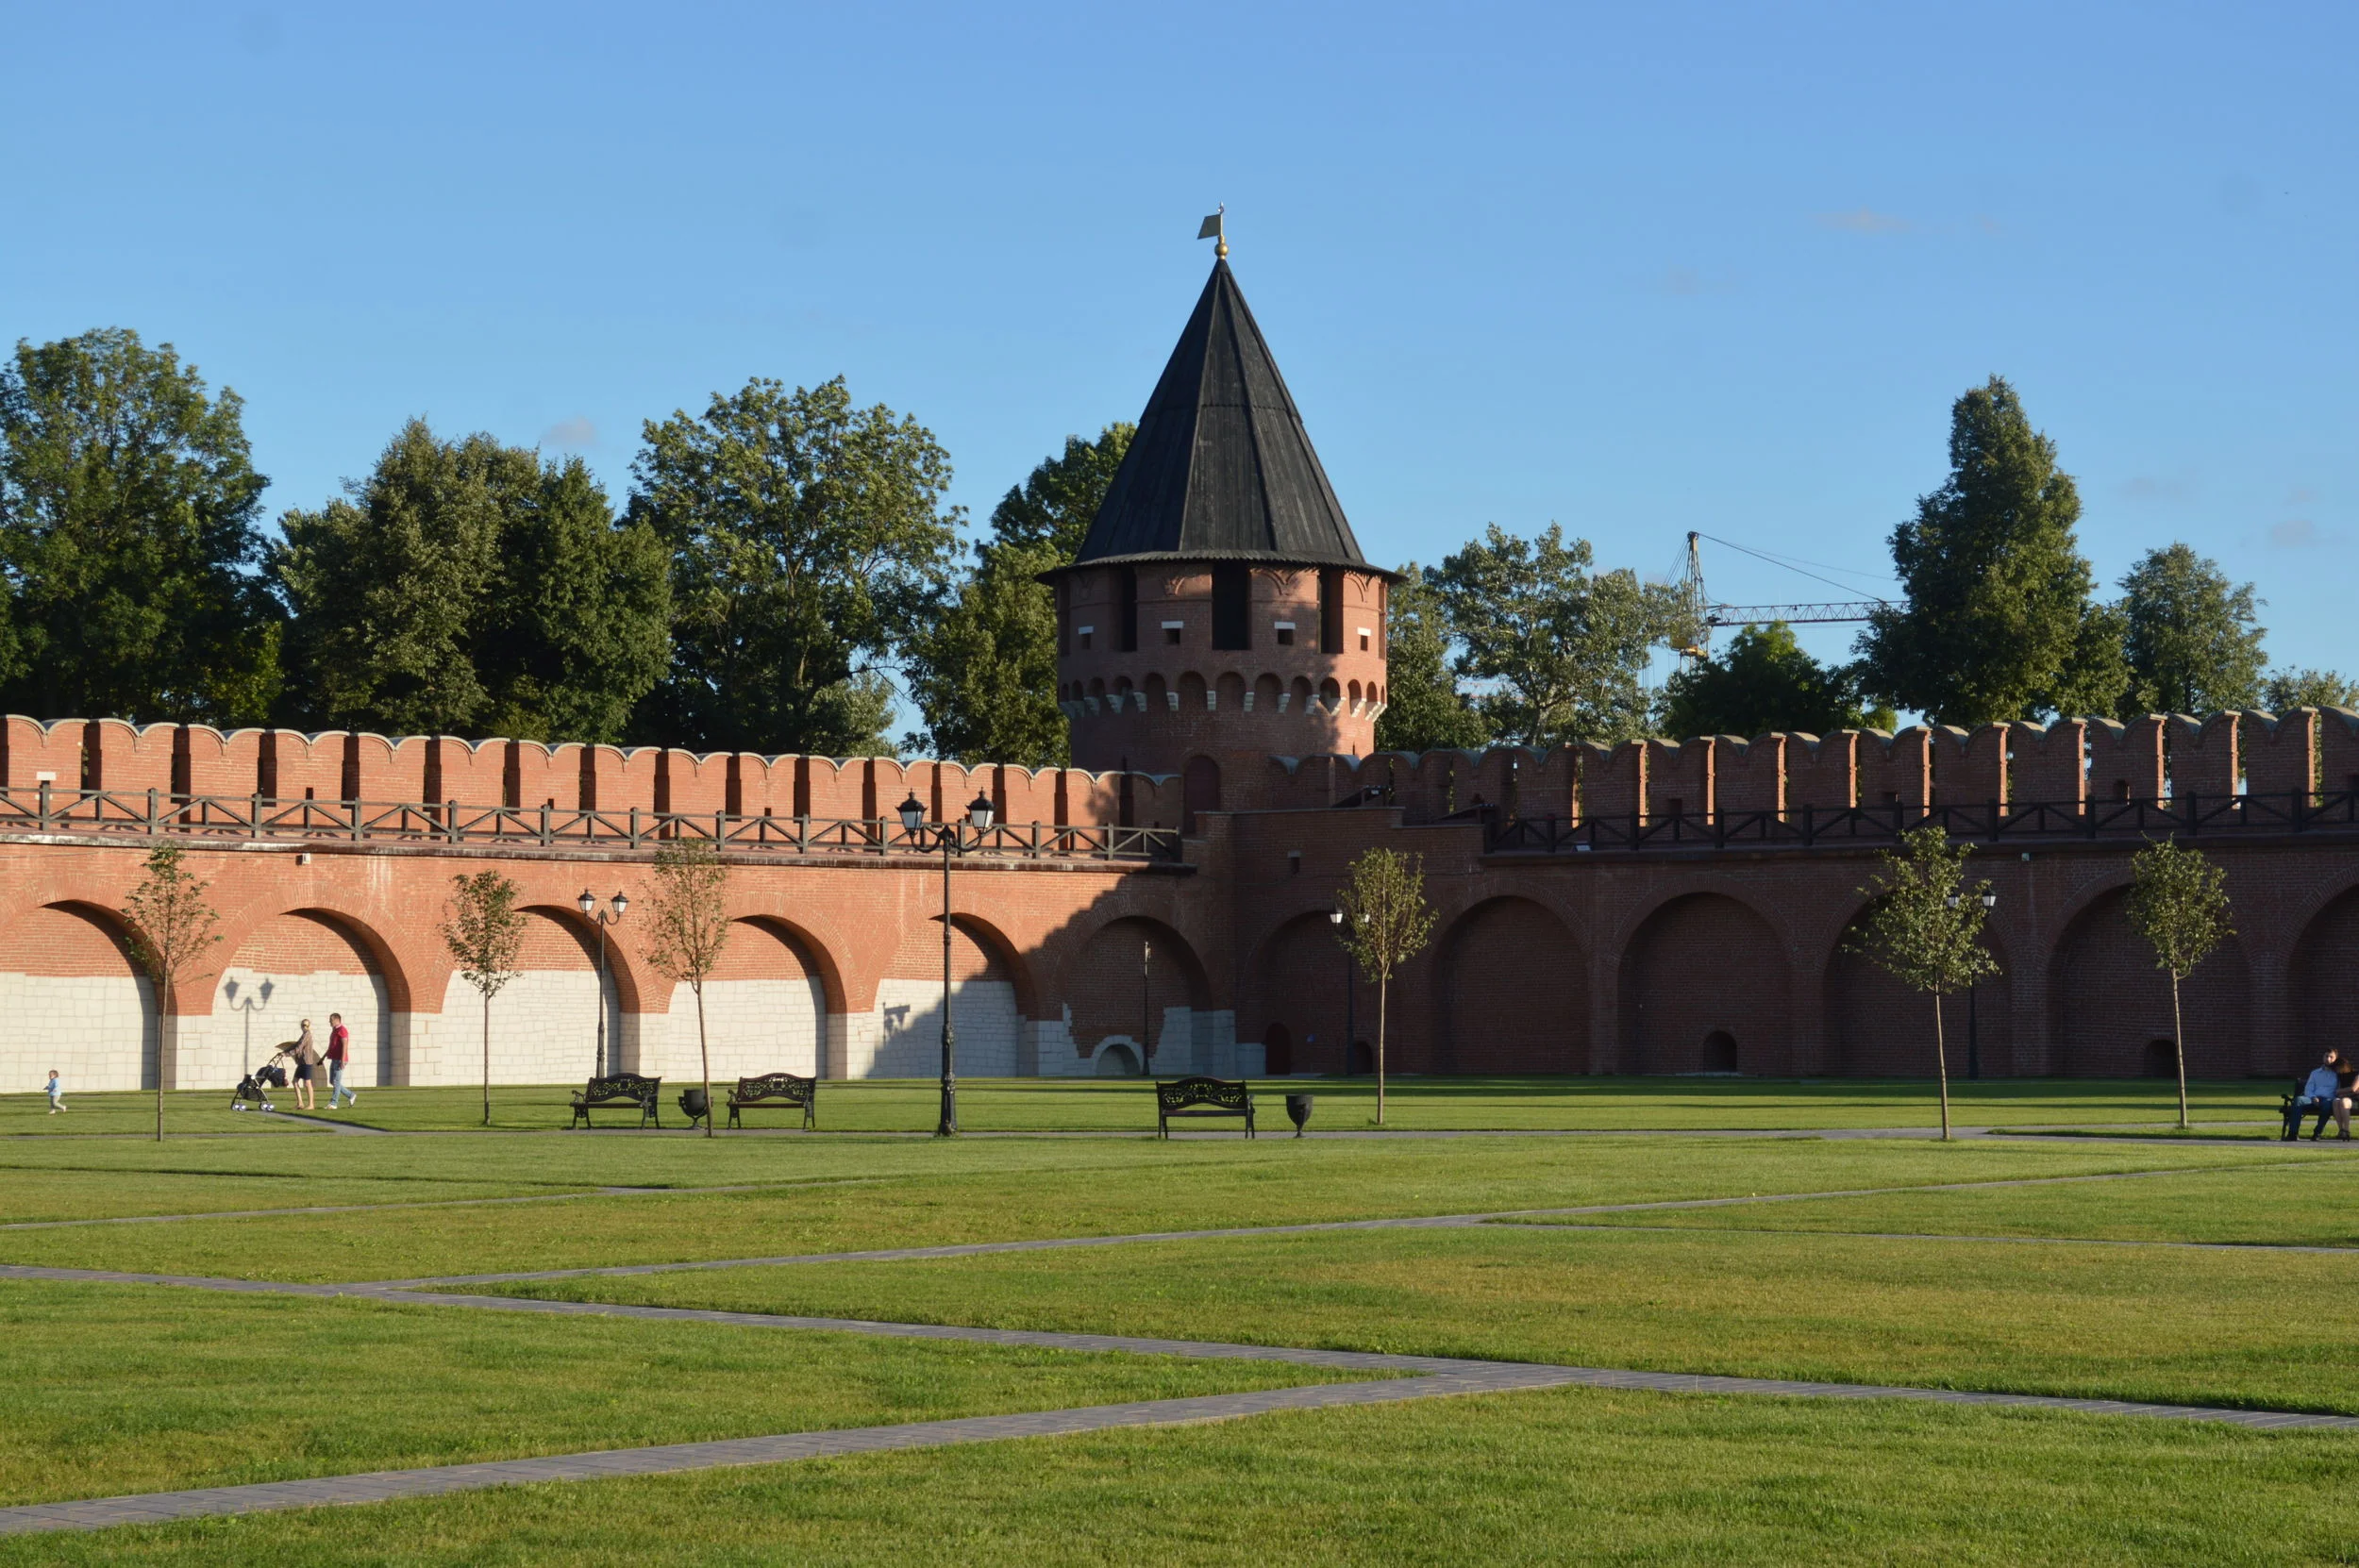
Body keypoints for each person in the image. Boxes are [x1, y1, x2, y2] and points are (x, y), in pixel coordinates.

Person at [2284, 1050, 2342, 1142]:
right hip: (2312, 1098)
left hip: (2328, 1100)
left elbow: (2339, 1091)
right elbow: (2308, 1088)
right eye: (2326, 1056)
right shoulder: (2315, 1073)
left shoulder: (2338, 1074)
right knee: (2298, 1100)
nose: (2328, 1059)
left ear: (2336, 1059)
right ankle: (2293, 1133)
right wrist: (2313, 1097)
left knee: (2327, 1105)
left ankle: (2317, 1133)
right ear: (2323, 1057)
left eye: (2331, 1057)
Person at [325, 1012, 357, 1109]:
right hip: (334, 1059)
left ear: (337, 1020)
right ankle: (351, 1095)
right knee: (332, 1081)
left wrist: (342, 1060)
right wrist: (323, 1058)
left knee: (336, 1081)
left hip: (340, 1060)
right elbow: (331, 1046)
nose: (330, 1022)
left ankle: (334, 1103)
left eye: (331, 1020)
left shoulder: (342, 1030)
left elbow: (345, 1045)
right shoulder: (335, 1030)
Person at [289, 1020, 321, 1111]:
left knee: (307, 1083)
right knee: (295, 1082)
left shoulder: (307, 1035)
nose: (304, 1027)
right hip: (301, 1062)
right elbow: (296, 1045)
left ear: (309, 1026)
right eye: (303, 1025)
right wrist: (285, 1052)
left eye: (306, 1025)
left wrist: (287, 1054)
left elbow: (299, 1048)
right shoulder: (303, 1035)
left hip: (307, 1062)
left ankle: (311, 1105)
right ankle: (300, 1103)